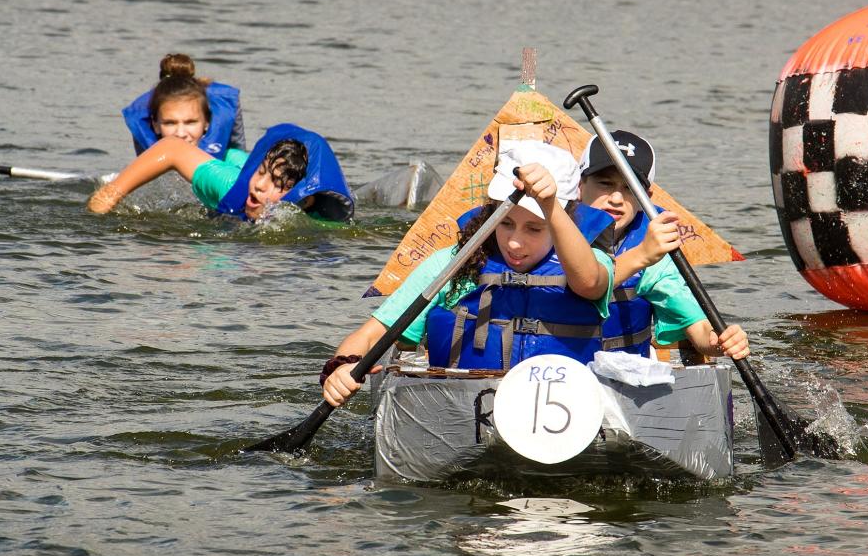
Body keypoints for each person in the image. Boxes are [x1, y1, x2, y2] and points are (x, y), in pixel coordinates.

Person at [320, 142, 616, 406]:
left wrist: (549, 204)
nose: (514, 242)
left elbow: (589, 283)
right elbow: (372, 334)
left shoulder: (593, 261)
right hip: (460, 409)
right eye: (506, 223)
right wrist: (342, 367)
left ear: (564, 217)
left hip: (565, 412)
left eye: (535, 229)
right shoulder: (453, 263)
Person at [577, 130, 750, 362]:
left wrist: (719, 341)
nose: (616, 198)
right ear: (579, 185)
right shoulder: (542, 232)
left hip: (624, 380)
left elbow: (696, 327)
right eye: (605, 184)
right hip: (547, 375)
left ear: (646, 197)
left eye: (629, 187)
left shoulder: (657, 257)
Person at [88, 123, 354, 222]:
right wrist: (109, 196)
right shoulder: (231, 186)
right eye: (260, 172)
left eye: (276, 183)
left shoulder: (317, 221)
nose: (259, 186)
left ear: (304, 200)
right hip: (231, 164)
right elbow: (172, 147)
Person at [122, 53, 246, 159]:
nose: (180, 134)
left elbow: (239, 148)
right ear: (155, 125)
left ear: (207, 122)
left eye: (190, 122)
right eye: (170, 123)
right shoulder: (140, 117)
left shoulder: (224, 107)